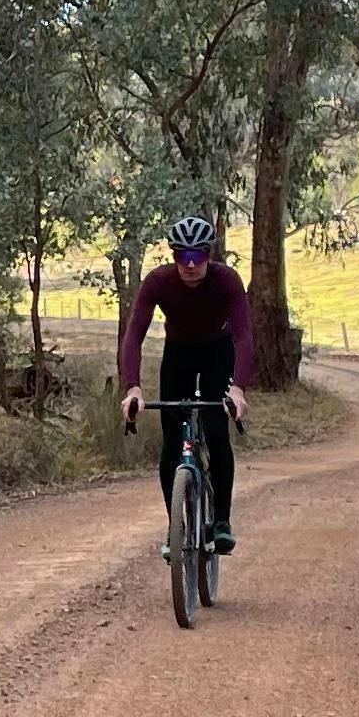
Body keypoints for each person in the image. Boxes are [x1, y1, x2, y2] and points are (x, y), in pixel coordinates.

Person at [118, 214, 249, 552]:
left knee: (217, 431)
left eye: (198, 256)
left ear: (210, 255)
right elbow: (133, 337)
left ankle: (221, 521)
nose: (190, 265)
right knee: (172, 441)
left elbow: (244, 338)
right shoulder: (158, 282)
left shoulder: (226, 281)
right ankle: (175, 527)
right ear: (173, 256)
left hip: (217, 354)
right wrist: (133, 388)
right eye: (182, 256)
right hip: (178, 354)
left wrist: (237, 388)